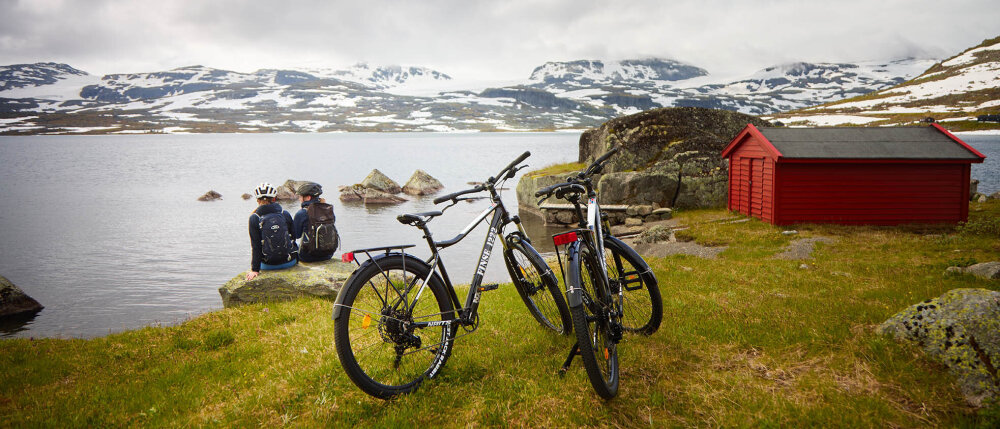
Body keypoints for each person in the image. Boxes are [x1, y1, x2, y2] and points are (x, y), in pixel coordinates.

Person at [246, 182, 296, 281]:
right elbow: (293, 236)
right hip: (289, 262)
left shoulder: (254, 218)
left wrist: (254, 270)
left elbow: (256, 246)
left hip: (268, 265)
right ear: (274, 199)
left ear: (257, 200)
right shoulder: (284, 213)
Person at [293, 182, 339, 263]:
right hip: (328, 254)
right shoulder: (328, 210)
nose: (299, 199)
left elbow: (296, 235)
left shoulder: (302, 213)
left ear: (308, 197)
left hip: (308, 256)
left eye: (300, 197)